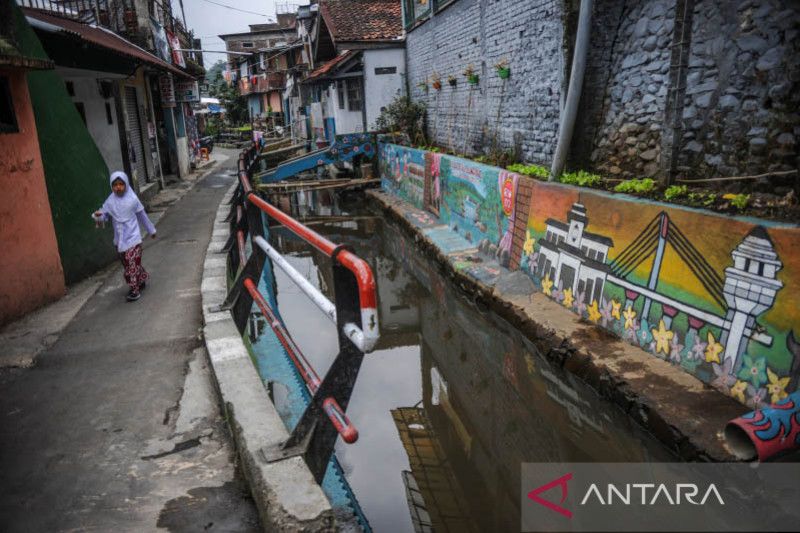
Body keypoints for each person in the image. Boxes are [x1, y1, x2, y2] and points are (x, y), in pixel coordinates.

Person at [93, 171, 156, 302]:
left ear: (126, 184)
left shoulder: (133, 200)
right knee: (128, 265)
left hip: (133, 239)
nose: (118, 187)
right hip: (119, 241)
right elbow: (105, 215)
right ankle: (141, 279)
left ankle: (134, 290)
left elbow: (142, 216)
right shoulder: (110, 201)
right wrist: (99, 216)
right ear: (111, 186)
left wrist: (151, 230)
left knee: (132, 266)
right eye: (115, 185)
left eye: (121, 184)